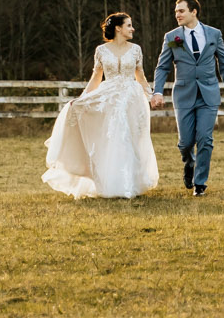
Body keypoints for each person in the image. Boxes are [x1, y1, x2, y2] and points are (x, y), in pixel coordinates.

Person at [42, 11, 161, 199]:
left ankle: (131, 183)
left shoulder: (136, 49)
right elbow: (96, 77)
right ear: (118, 28)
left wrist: (152, 95)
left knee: (132, 139)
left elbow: (141, 76)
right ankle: (113, 184)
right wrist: (82, 98)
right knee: (112, 138)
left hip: (132, 99)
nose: (133, 29)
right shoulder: (101, 51)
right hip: (110, 98)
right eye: (129, 25)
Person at [151, 0, 224, 197]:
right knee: (185, 142)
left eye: (181, 11)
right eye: (176, 12)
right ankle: (189, 163)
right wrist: (157, 91)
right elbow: (163, 67)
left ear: (194, 11)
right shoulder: (173, 38)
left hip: (208, 94)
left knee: (205, 139)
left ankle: (200, 184)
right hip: (184, 95)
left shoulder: (214, 34)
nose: (177, 14)